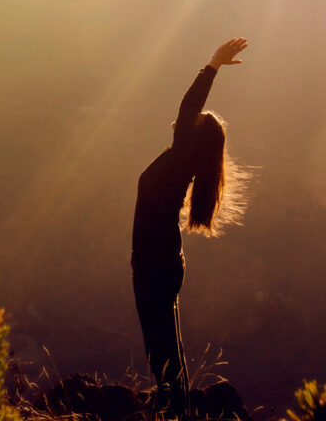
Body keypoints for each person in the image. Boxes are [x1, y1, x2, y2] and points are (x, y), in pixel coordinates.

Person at [131, 37, 250, 418]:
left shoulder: (182, 158)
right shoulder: (180, 161)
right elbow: (187, 114)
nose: (188, 118)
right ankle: (174, 407)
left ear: (192, 135)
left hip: (155, 262)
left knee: (160, 344)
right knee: (165, 342)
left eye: (194, 121)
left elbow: (188, 106)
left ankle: (172, 409)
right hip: (163, 259)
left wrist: (212, 65)